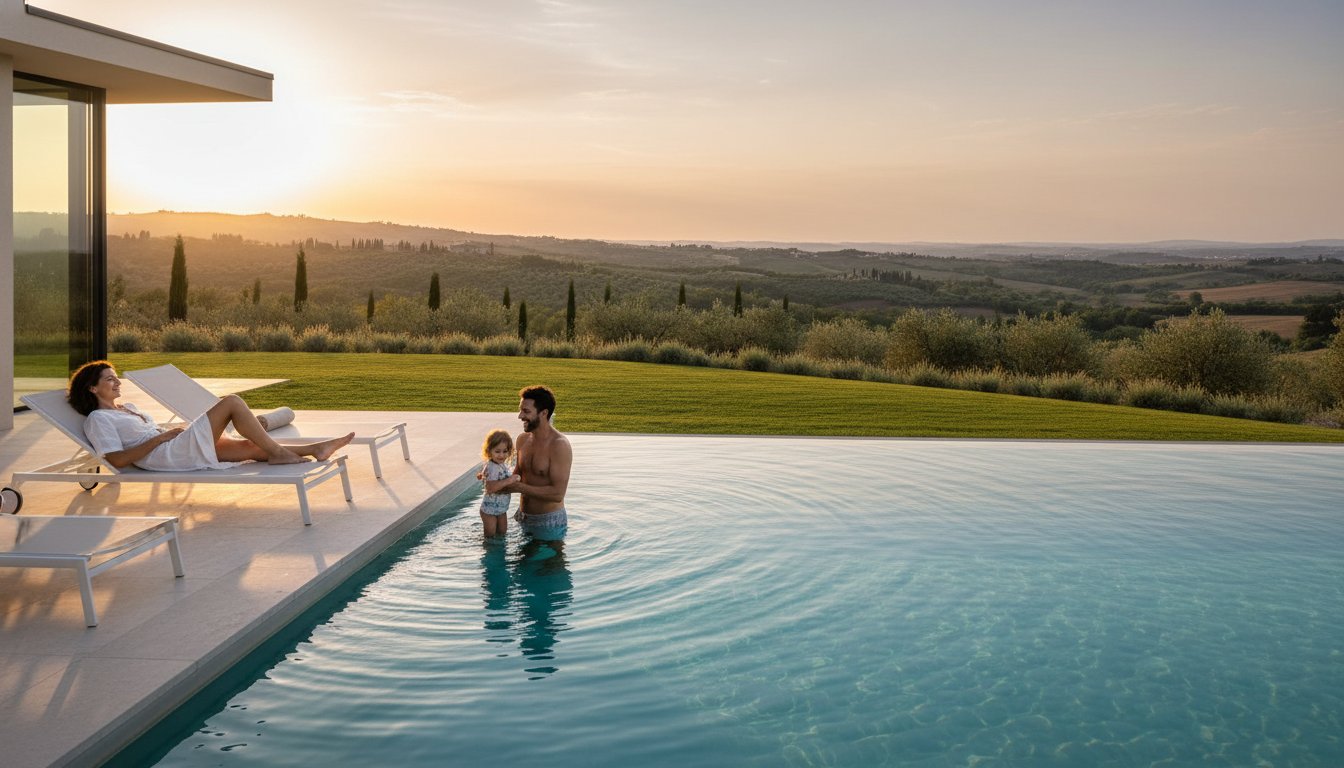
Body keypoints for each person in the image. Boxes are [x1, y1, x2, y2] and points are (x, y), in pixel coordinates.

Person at [68, 360, 353, 471]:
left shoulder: (129, 407)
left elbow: (151, 434)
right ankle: (281, 454)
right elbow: (115, 460)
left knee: (249, 446)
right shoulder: (99, 419)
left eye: (116, 377)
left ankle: (316, 448)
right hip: (166, 455)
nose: (117, 382)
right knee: (231, 403)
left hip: (172, 445)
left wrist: (171, 434)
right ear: (92, 388)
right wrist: (162, 438)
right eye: (109, 379)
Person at [503, 385, 572, 539]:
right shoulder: (522, 440)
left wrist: (519, 487)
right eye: (520, 410)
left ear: (544, 413)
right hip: (522, 516)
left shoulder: (559, 445)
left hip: (549, 522)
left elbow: (558, 494)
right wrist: (493, 476)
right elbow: (516, 476)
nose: (520, 416)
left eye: (526, 411)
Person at [477, 428, 519, 537]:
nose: (501, 455)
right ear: (489, 451)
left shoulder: (499, 464)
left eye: (505, 451)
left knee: (502, 533)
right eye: (497, 451)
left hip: (501, 509)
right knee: (490, 537)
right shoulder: (493, 467)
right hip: (489, 510)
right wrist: (509, 480)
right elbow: (490, 488)